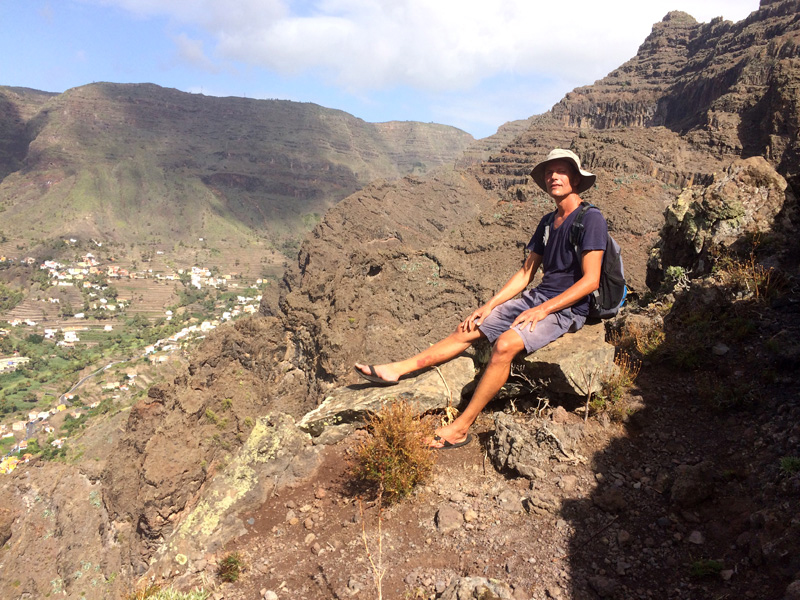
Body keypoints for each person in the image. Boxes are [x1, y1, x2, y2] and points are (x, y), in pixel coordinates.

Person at [355, 148, 608, 448]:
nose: (553, 176)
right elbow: (526, 274)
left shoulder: (590, 219)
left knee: (504, 345)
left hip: (567, 307)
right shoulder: (547, 222)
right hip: (538, 297)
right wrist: (489, 305)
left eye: (561, 170)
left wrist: (544, 310)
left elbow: (591, 280)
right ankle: (398, 369)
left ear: (576, 179)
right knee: (468, 328)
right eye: (548, 172)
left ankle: (461, 427)